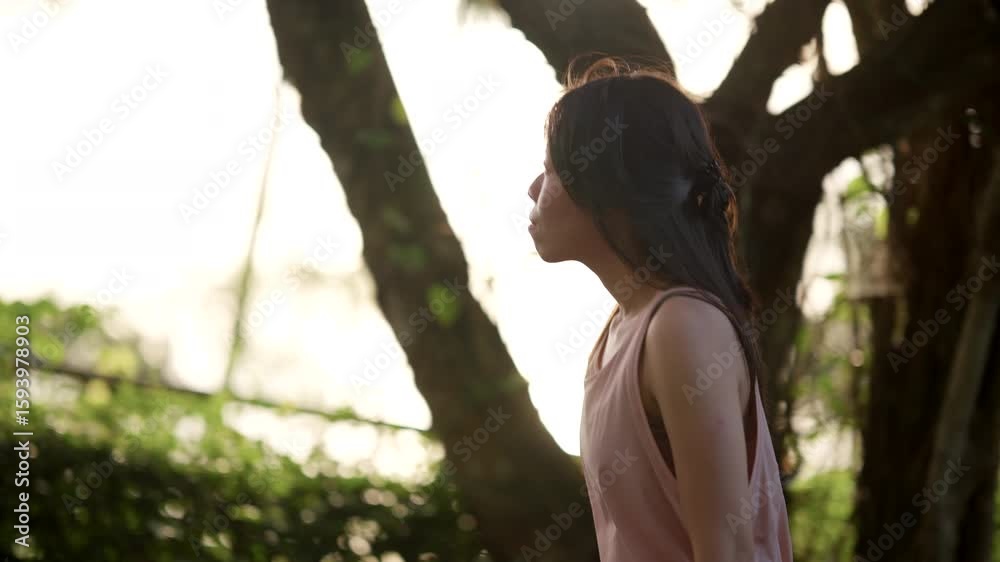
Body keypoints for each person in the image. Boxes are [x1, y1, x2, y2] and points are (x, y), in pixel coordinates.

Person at [526, 57, 794, 561]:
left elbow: (728, 552)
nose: (534, 190)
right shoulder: (620, 333)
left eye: (550, 170)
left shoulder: (683, 326)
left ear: (608, 185)